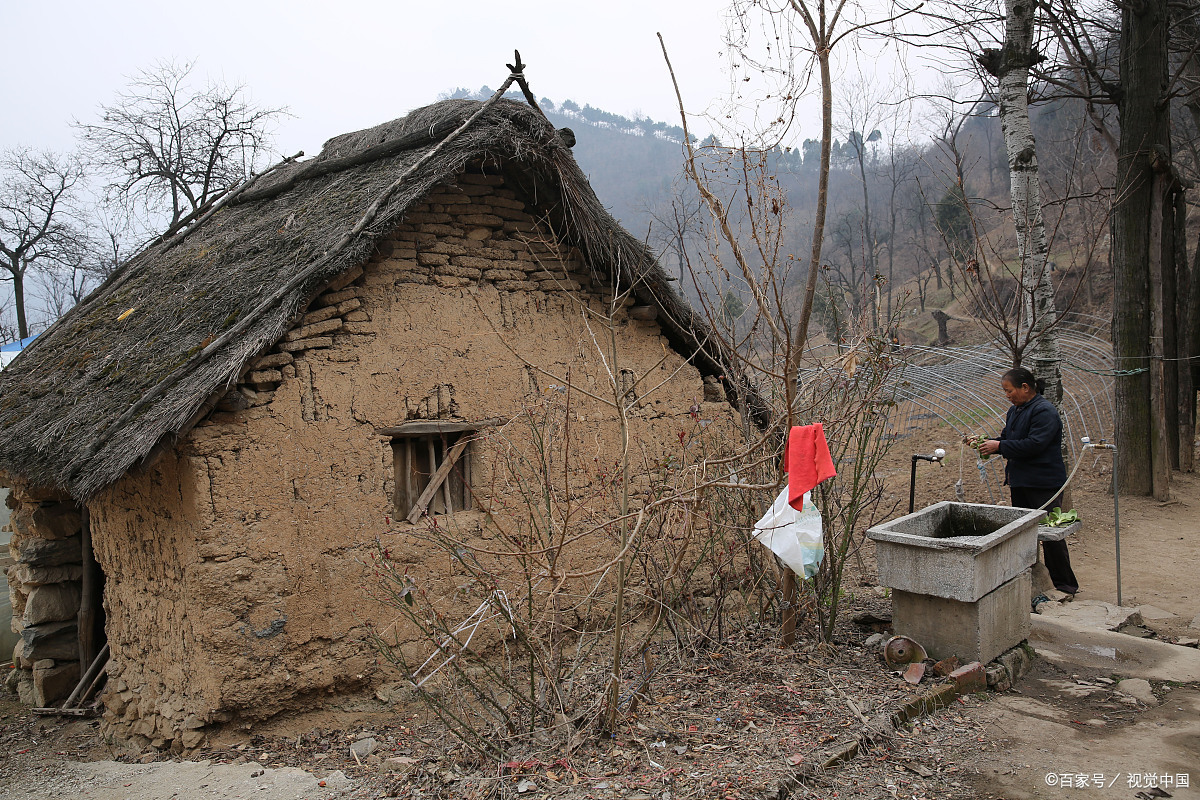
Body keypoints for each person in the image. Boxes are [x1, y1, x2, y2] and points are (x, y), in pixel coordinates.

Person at [975, 366, 1079, 594]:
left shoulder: (1044, 411)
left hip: (1044, 482)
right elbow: (1008, 438)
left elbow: (1035, 444)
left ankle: (1064, 585)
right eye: (1005, 391)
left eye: (1009, 390)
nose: (1007, 395)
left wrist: (1000, 446)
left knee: (1050, 535)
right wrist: (987, 444)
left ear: (1025, 387)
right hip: (1021, 480)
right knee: (1023, 533)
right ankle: (1028, 580)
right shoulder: (1015, 411)